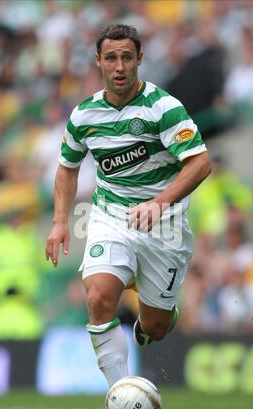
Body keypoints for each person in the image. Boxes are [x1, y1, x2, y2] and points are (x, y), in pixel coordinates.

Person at [45, 24, 211, 388]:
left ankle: (154, 316)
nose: (119, 67)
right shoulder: (84, 116)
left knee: (156, 327)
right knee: (100, 296)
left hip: (163, 224)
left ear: (139, 59)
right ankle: (120, 391)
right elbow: (67, 168)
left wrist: (159, 202)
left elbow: (200, 163)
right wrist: (60, 222)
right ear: (98, 62)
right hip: (111, 216)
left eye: (126, 57)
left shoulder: (163, 108)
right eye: (110, 58)